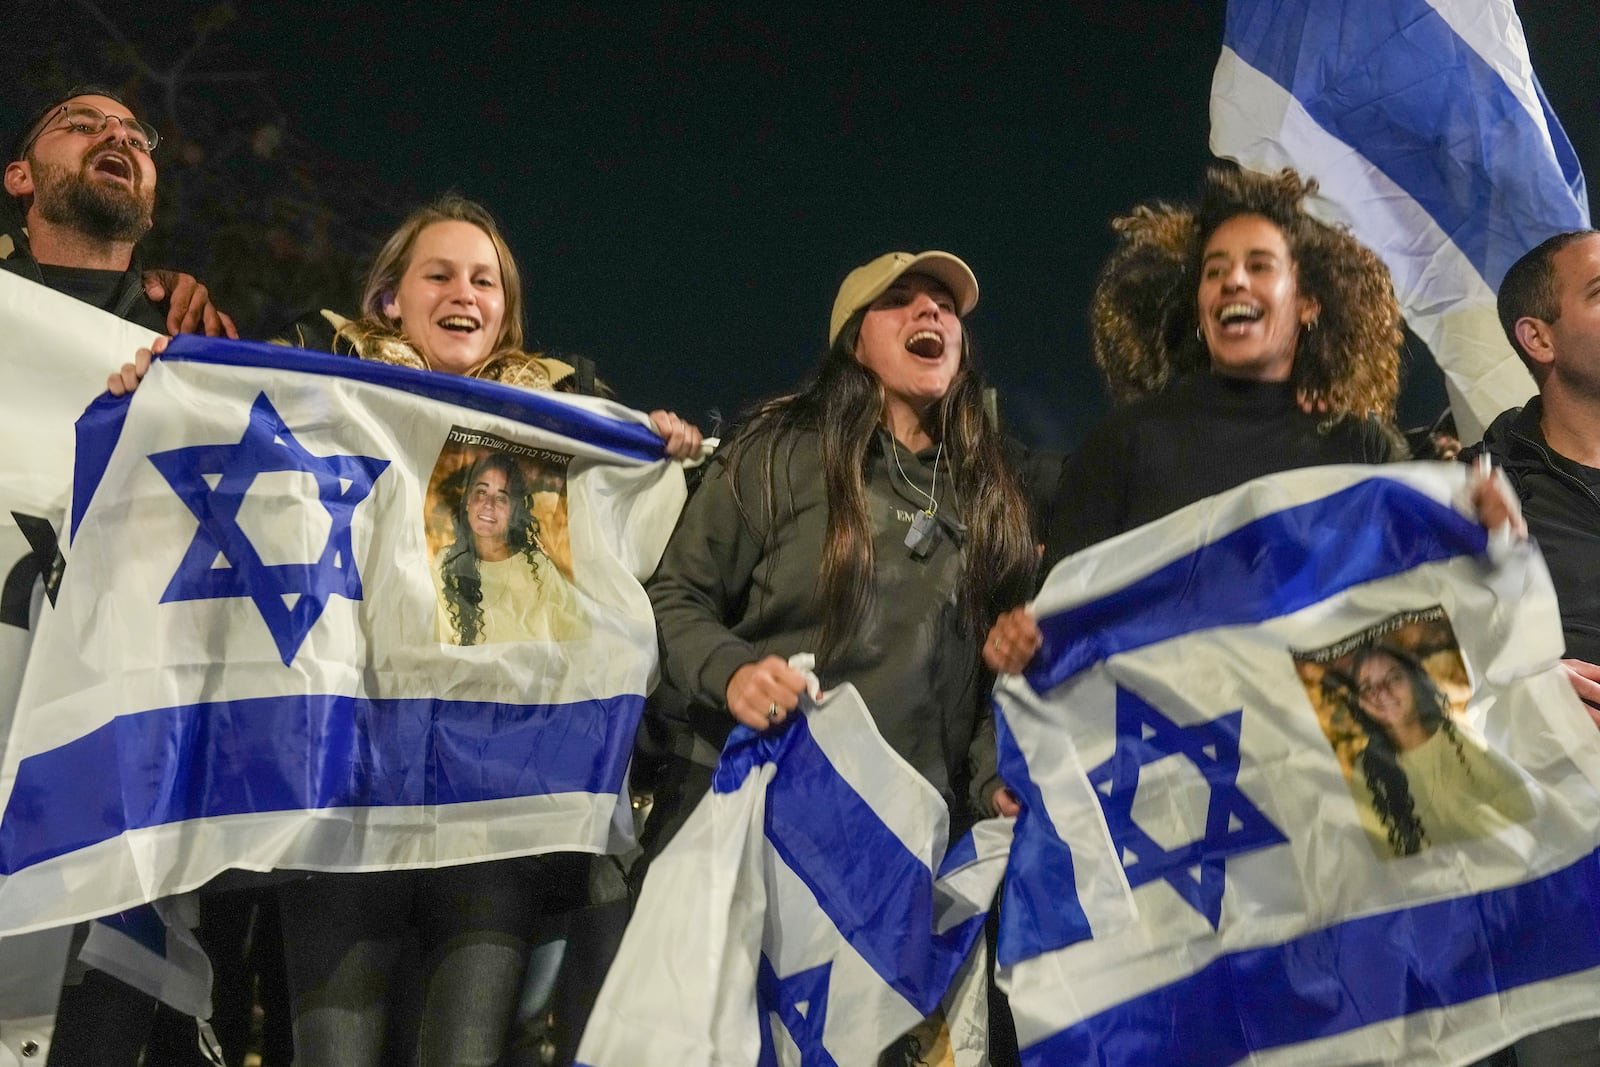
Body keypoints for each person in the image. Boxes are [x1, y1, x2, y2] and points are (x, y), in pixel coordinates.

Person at [110, 194, 701, 1066]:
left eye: (485, 280)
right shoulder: (322, 382)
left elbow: (631, 559)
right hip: (346, 797)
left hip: (496, 808)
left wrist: (657, 452)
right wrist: (162, 381)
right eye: (440, 273)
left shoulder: (556, 418)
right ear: (390, 299)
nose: (466, 292)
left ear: (504, 309)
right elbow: (219, 418)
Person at [642, 250, 1036, 1056]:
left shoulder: (992, 494)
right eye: (902, 301)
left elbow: (990, 680)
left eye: (945, 306)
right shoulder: (777, 455)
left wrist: (995, 778)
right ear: (856, 343)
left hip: (893, 865)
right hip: (760, 838)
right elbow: (675, 595)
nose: (931, 314)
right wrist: (733, 671)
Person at [983, 166, 1517, 675]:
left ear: (1308, 302)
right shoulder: (1124, 444)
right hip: (1174, 758)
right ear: (1199, 306)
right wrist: (1026, 643)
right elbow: (1067, 624)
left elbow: (1420, 611)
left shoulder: (1361, 447)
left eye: (1259, 265)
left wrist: (1486, 541)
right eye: (1215, 271)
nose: (1233, 280)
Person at [1461, 228, 1600, 1065]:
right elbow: (1384, 701)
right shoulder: (1473, 492)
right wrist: (1523, 696)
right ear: (1537, 339)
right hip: (1554, 901)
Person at [3, 84, 236, 338]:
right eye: (82, 126)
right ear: (21, 177)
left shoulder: (187, 334)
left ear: (149, 209)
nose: (119, 135)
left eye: (137, 142)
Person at [1345, 645, 1532, 859]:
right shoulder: (1365, 770)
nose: (1382, 692)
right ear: (1359, 703)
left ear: (1414, 680)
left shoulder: (1461, 739)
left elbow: (1525, 809)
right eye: (1368, 688)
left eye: (1394, 678)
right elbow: (1384, 855)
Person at [434, 450, 586, 645]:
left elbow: (576, 635)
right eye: (481, 491)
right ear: (467, 501)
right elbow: (437, 644)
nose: (489, 504)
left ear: (513, 511)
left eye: (501, 497)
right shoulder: (444, 563)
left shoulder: (539, 569)